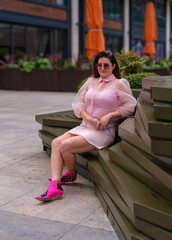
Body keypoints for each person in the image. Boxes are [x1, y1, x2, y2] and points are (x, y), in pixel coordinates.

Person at [35, 50, 137, 201]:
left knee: (65, 146)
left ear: (114, 66)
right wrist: (90, 120)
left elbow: (130, 107)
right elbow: (79, 105)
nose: (102, 68)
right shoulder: (91, 81)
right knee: (56, 142)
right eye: (99, 65)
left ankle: (67, 177)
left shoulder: (119, 84)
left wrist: (109, 115)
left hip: (103, 131)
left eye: (106, 65)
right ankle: (57, 183)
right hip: (86, 126)